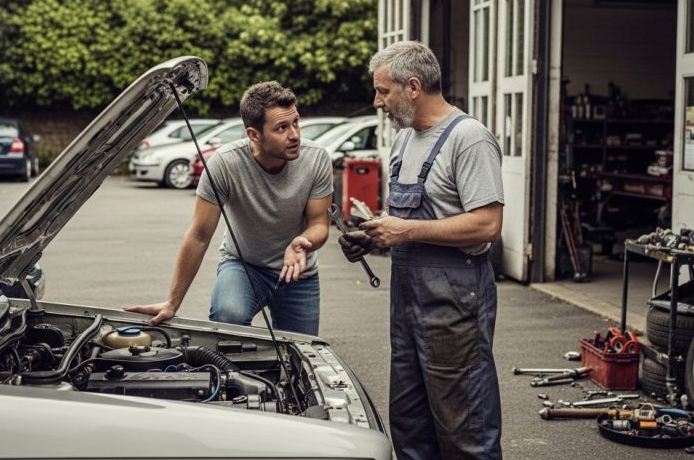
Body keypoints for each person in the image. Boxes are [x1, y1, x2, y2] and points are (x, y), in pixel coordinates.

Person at [339, 41, 505, 459]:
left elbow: (487, 225)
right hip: (408, 304)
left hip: (455, 303)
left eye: (383, 91)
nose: (377, 102)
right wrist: (372, 235)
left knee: (464, 429)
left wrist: (405, 230)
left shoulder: (468, 139)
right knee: (410, 428)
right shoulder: (404, 141)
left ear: (413, 87)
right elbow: (404, 223)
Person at [127, 81, 333, 336]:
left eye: (296, 123)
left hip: (298, 271)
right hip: (245, 266)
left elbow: (319, 224)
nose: (294, 135)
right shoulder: (225, 164)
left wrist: (303, 242)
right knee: (227, 317)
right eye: (281, 127)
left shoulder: (316, 158)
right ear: (254, 135)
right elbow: (199, 235)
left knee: (302, 350)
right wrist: (172, 302)